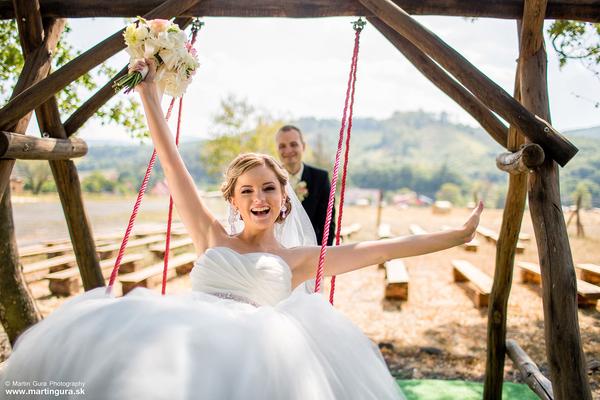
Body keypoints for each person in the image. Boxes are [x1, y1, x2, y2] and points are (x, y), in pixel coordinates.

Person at [0, 59, 483, 400]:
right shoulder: (211, 234)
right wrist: (149, 94)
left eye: (269, 188)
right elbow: (170, 161)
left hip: (255, 363)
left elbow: (382, 248)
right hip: (181, 339)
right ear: (233, 200)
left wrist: (457, 236)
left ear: (283, 197)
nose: (259, 198)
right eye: (247, 190)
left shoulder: (298, 260)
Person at [276, 125, 335, 246]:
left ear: (303, 146)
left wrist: (322, 253)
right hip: (278, 248)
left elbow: (327, 224)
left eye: (293, 144)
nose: (288, 150)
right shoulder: (271, 179)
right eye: (282, 146)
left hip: (311, 249)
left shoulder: (321, 178)